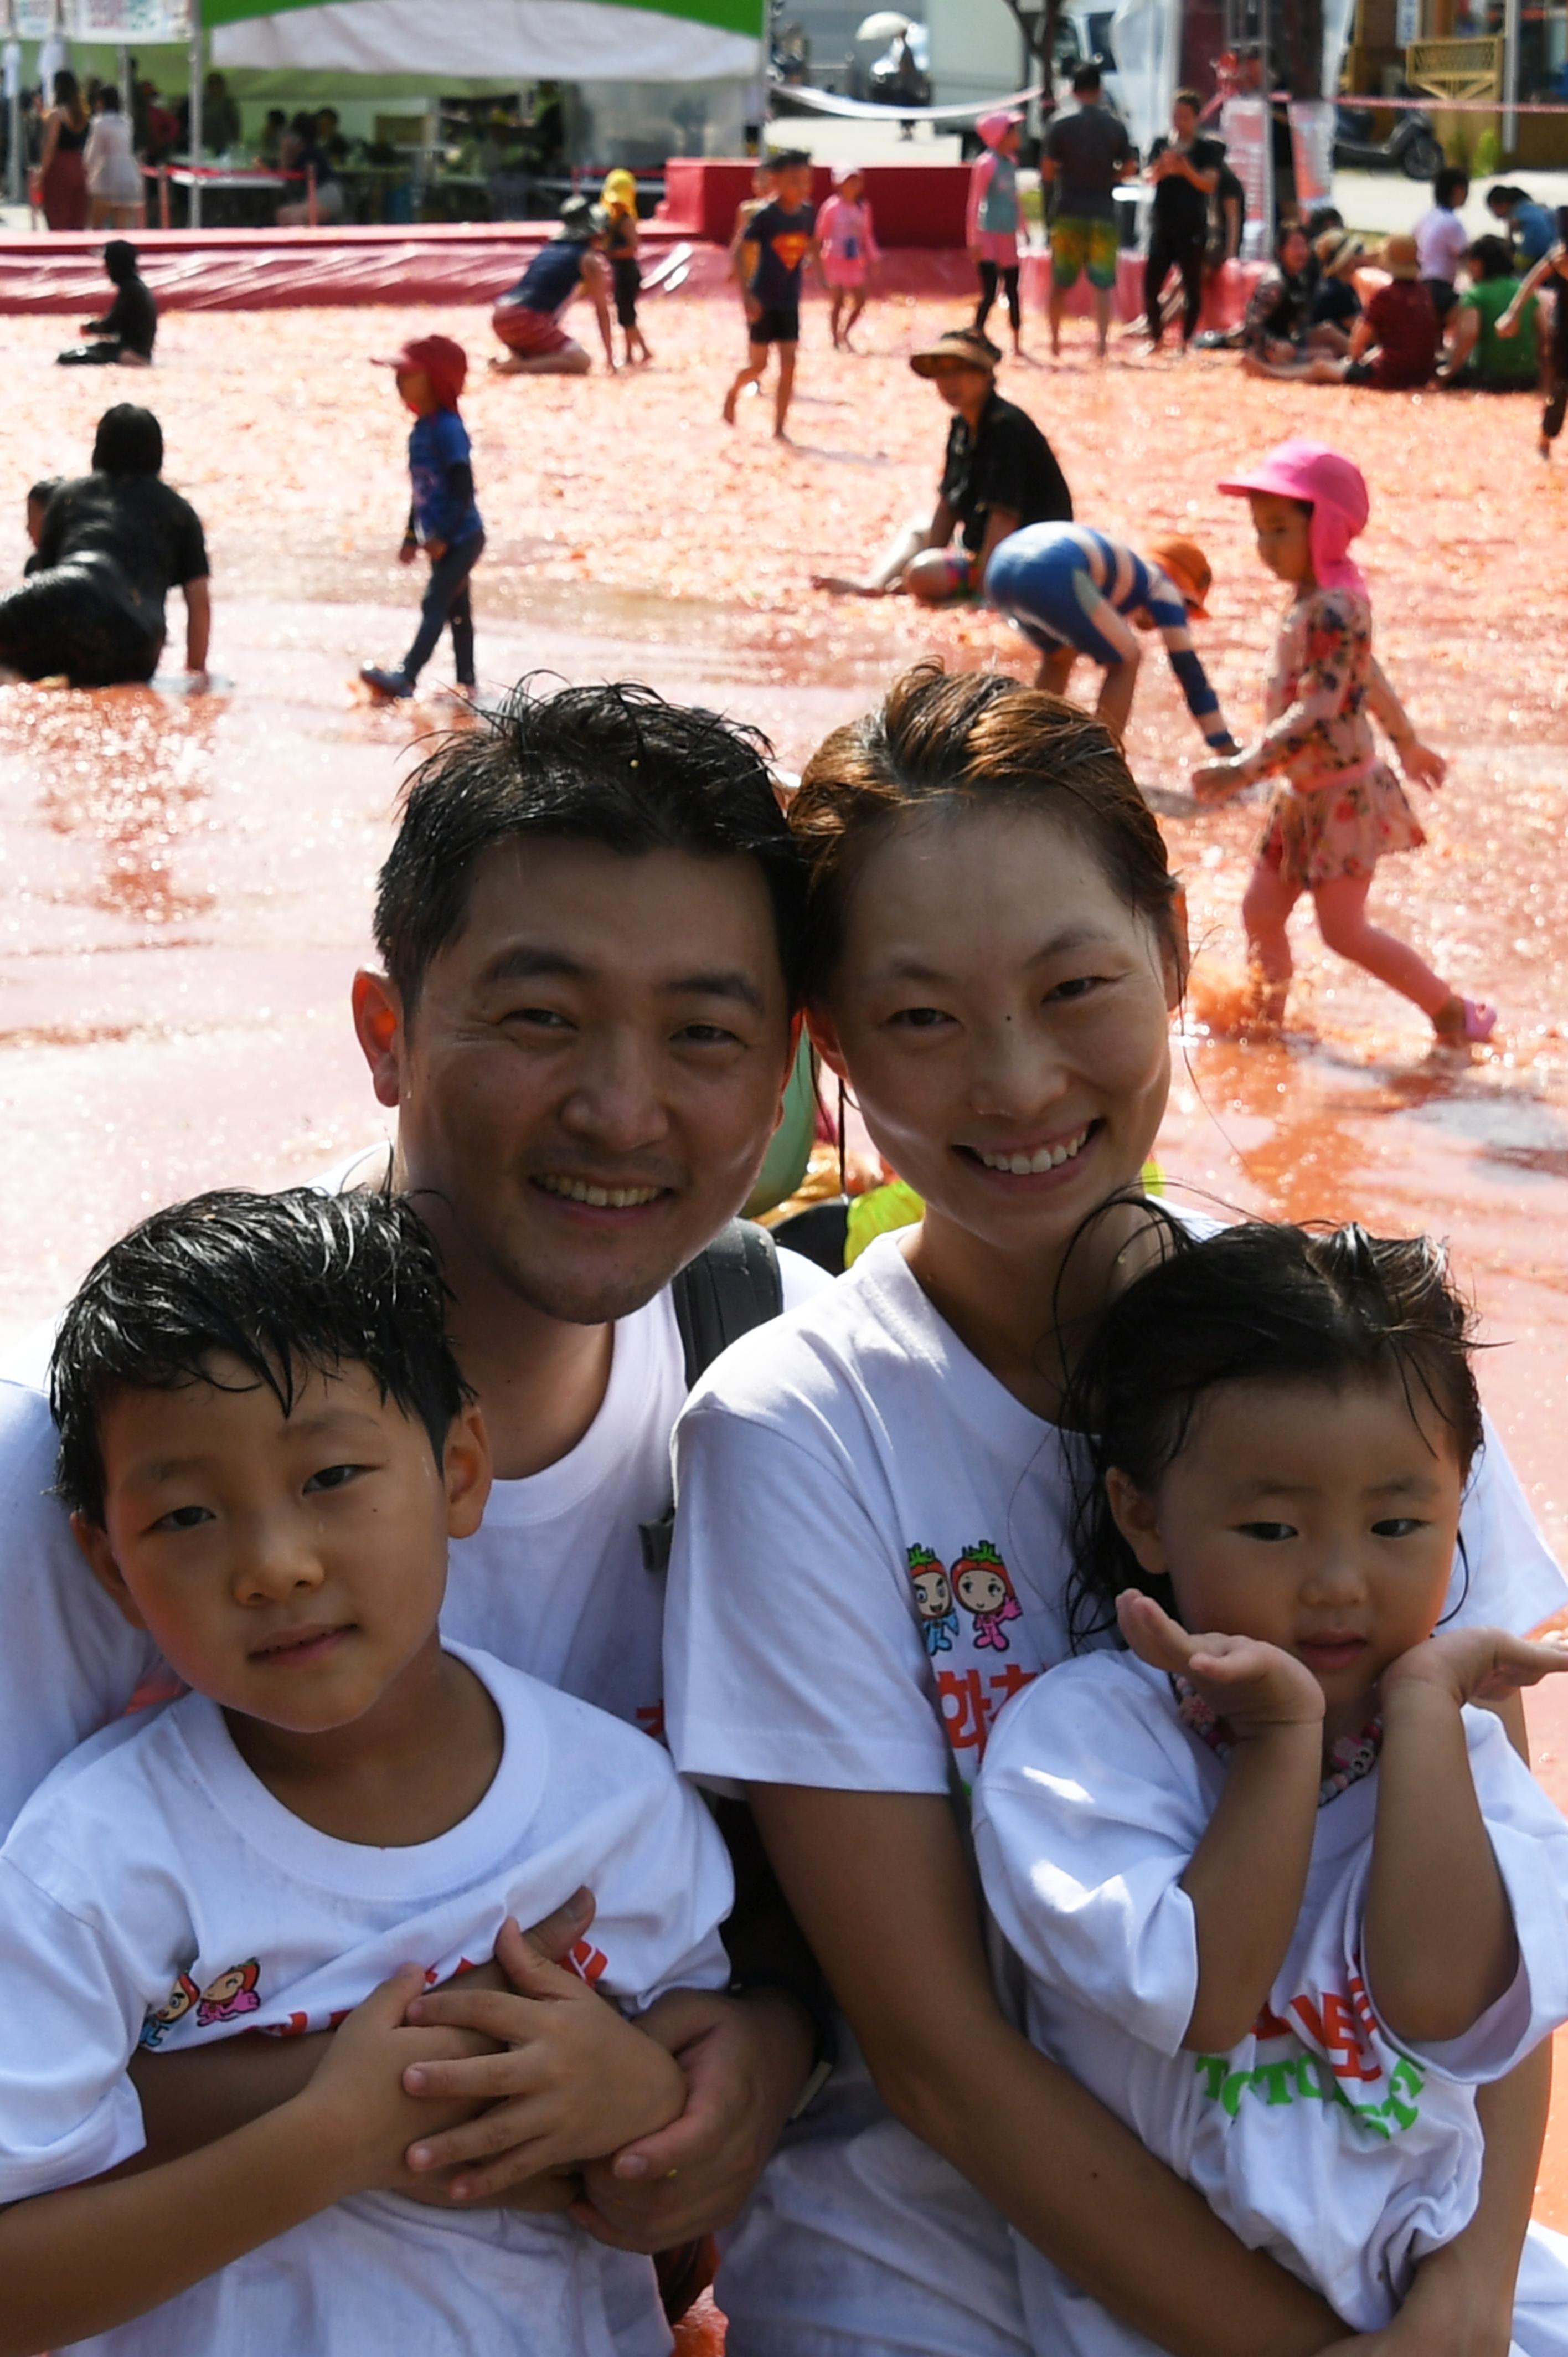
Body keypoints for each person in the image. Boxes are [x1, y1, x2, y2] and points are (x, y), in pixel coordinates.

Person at [664, 660, 1565, 2356]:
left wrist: (1454, 2292)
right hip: (941, 2279)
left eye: (1073, 982)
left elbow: (1503, 1897)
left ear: (1168, 944)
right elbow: (941, 2056)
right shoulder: (794, 1433)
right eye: (919, 1016)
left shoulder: (1354, 1340)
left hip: (1386, 2240)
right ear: (831, 1043)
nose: (1011, 1082)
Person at [0, 680, 832, 2319]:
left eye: (704, 1034)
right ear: (385, 1032)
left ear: (786, 1074)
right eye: (538, 1015)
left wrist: (755, 2057)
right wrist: (407, 2091)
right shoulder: (86, 1459)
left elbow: (860, 1926)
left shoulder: (793, 1401)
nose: (619, 1105)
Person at [0, 1185, 735, 2356]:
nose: (275, 1565)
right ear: (108, 1564)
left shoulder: (617, 1806)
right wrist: (329, 2141)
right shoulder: (91, 1867)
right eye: (187, 1516)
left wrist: (638, 2095)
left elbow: (700, 2078)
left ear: (457, 1471)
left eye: (331, 1478)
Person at [973, 1216, 1568, 2355]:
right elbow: (1207, 1998)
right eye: (1273, 1527)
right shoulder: (1083, 1745)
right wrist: (1285, 1738)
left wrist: (1428, 1713)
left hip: (1451, 2305)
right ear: (1142, 1515)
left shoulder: (1444, 1740)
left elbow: (1443, 2003)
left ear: (1463, 1510)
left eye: (1399, 1523)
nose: (1340, 1581)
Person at [1192, 439, 1492, 1043]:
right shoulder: (1312, 599)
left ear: (1326, 528)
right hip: (1300, 794)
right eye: (1260, 531)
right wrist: (1405, 740)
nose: (1265, 547)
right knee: (1261, 911)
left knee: (1343, 931)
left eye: (1279, 530)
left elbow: (1322, 705)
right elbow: (1366, 673)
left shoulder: (1334, 607)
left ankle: (1451, 1012)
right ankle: (1263, 1026)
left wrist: (1243, 768)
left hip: (1340, 798)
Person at [811, 327, 1071, 602]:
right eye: (942, 373)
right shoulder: (962, 426)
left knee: (923, 576)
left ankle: (974, 586)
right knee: (918, 529)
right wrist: (929, 555)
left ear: (985, 375)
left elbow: (1004, 516)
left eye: (960, 371)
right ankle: (873, 584)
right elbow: (950, 503)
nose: (949, 382)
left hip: (1028, 555)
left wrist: (984, 591)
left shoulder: (1005, 427)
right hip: (986, 544)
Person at [0, 404, 209, 689]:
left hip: (71, 590)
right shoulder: (180, 512)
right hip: (137, 639)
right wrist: (195, 673)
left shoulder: (70, 495)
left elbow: (44, 578)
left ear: (100, 449)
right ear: (157, 453)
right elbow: (198, 602)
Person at [986, 522, 1236, 748]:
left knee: (1060, 656)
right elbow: (1189, 672)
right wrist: (1224, 745)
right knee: (1128, 658)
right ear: (1184, 593)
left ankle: (1029, 740)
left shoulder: (1124, 572)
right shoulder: (1162, 584)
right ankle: (1101, 756)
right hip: (1053, 571)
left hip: (998, 569)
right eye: (1188, 610)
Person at [358, 335, 482, 706]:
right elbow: (422, 492)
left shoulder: (447, 429)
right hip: (440, 539)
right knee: (459, 612)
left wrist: (443, 534)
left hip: (463, 537)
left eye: (408, 375)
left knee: (435, 603)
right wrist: (412, 536)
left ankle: (407, 677)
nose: (399, 384)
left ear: (437, 380)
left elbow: (463, 486)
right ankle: (468, 683)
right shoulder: (420, 431)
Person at [1250, 236, 1440, 390]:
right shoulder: (1424, 293)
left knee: (1322, 367)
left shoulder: (1384, 295)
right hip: (1422, 372)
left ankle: (1272, 373)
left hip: (1392, 374)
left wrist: (1358, 360)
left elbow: (1358, 341)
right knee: (1328, 352)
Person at [723, 148, 818, 440]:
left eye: (806, 181)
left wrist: (820, 270)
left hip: (789, 301)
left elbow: (810, 244)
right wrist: (747, 294)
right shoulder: (766, 216)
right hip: (763, 300)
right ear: (775, 180)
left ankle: (779, 427)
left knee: (789, 362)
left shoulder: (806, 213)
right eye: (794, 181)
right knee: (758, 365)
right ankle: (733, 391)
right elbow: (739, 249)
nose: (802, 188)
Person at [1042, 63, 1135, 359]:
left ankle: (1056, 343)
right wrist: (1110, 178)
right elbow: (1131, 167)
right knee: (1102, 284)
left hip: (1068, 209)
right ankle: (1102, 346)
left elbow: (1046, 170)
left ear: (1072, 89)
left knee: (1060, 282)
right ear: (1100, 90)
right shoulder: (1115, 126)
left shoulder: (1060, 123)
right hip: (1103, 212)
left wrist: (1065, 176)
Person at [490, 196, 616, 377]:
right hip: (526, 318)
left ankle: (515, 358)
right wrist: (610, 358)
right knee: (582, 361)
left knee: (538, 347)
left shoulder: (550, 249)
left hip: (501, 313)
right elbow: (602, 311)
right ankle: (519, 367)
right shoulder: (588, 260)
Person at [1144, 88, 1222, 352]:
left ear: (1197, 118)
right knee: (1151, 284)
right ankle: (1156, 338)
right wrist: (1163, 168)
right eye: (1176, 115)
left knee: (1191, 287)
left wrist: (1186, 169)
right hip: (1163, 223)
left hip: (1192, 226)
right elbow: (1149, 177)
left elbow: (1209, 184)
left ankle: (1186, 341)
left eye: (1186, 116)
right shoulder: (1161, 143)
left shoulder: (1207, 149)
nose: (1180, 121)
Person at [1496, 210, 1568, 455]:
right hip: (1564, 330)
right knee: (1560, 387)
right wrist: (1513, 313)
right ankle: (1545, 439)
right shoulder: (1558, 257)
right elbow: (1531, 282)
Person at [1439, 235, 1540, 389]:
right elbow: (1545, 336)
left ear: (1478, 264)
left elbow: (1470, 334)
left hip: (1489, 377)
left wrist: (1449, 371)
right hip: (1528, 378)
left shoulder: (1476, 295)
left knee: (1440, 365)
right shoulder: (1527, 292)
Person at [967, 111, 1024, 358]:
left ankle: (1017, 339)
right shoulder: (986, 164)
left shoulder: (1010, 163)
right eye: (1013, 131)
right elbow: (975, 201)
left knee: (1013, 287)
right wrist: (973, 238)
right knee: (990, 290)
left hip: (1007, 233)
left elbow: (1014, 197)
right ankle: (977, 331)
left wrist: (1023, 226)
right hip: (988, 232)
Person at [1240, 222, 1337, 366]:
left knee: (1328, 331)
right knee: (1326, 355)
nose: (1302, 252)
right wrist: (1273, 343)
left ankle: (1362, 361)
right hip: (1269, 350)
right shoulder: (1274, 284)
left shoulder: (1300, 279)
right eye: (1296, 246)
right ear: (1281, 250)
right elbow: (1252, 326)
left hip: (1289, 341)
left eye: (1305, 246)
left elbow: (1301, 322)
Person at [57, 239, 156, 368]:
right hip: (137, 352)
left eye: (107, 264)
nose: (105, 269)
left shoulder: (131, 291)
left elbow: (111, 326)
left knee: (65, 359)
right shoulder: (138, 288)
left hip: (130, 354)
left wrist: (89, 327)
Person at [817, 163, 880, 352]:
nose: (853, 186)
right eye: (848, 182)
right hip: (835, 258)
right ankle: (835, 338)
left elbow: (866, 235)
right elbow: (821, 234)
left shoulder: (864, 208)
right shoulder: (831, 207)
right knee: (838, 301)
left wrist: (873, 258)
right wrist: (815, 260)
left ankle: (845, 332)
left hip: (854, 260)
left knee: (860, 299)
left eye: (856, 181)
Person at [601, 168, 650, 367]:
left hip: (628, 272)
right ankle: (635, 354)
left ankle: (641, 352)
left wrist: (610, 254)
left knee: (626, 316)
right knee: (625, 315)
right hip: (620, 271)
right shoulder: (612, 221)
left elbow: (633, 248)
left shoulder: (626, 221)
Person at [33, 67, 90, 232]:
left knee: (58, 219)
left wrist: (41, 174)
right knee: (77, 221)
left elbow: (50, 147)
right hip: (78, 165)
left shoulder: (57, 115)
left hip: (59, 167)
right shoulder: (82, 115)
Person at [1414, 163, 1471, 317]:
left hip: (1420, 283)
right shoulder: (1452, 223)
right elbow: (1466, 256)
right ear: (1458, 190)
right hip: (1440, 288)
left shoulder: (1426, 218)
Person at [85, 88, 144, 230]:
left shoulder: (99, 123)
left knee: (97, 223)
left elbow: (94, 151)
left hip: (106, 173)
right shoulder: (126, 122)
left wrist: (87, 169)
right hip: (127, 171)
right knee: (122, 226)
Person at [276, 109, 344, 227]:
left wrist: (284, 153)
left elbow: (284, 178)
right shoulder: (311, 152)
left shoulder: (308, 155)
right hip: (329, 195)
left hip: (326, 197)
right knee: (284, 214)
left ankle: (301, 244)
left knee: (289, 216)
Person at [1487, 182, 1556, 266]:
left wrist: (1510, 237)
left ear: (1503, 204)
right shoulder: (1533, 208)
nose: (1495, 215)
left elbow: (1526, 258)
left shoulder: (1524, 217)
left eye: (1493, 209)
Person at [1309, 229, 1364, 333]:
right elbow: (1361, 331)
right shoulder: (1338, 293)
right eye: (1354, 253)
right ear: (1347, 262)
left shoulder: (1334, 285)